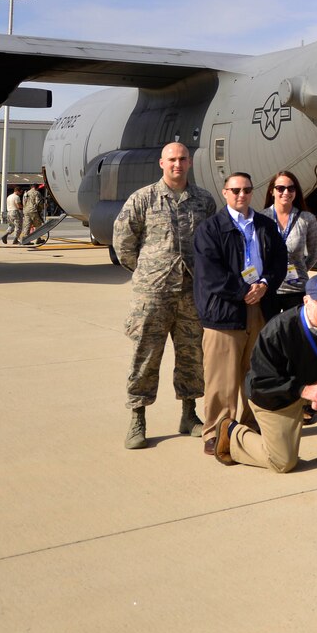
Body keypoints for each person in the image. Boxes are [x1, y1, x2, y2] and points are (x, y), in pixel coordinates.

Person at [114, 141, 217, 449]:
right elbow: (123, 244)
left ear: (189, 163)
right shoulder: (143, 199)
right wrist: (148, 271)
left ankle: (189, 414)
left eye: (182, 159)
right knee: (145, 355)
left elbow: (210, 243)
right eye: (172, 159)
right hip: (153, 295)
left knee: (192, 355)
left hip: (190, 292)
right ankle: (137, 417)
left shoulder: (203, 200)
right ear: (161, 163)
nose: (177, 164)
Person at [215, 273, 317, 472]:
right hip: (274, 396)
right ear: (306, 301)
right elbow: (263, 380)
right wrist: (304, 390)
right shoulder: (278, 329)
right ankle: (232, 433)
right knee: (283, 462)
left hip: (310, 385)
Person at [192, 171, 286, 456]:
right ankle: (216, 431)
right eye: (235, 190)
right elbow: (210, 273)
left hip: (260, 308)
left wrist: (266, 284)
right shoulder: (210, 229)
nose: (241, 195)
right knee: (222, 378)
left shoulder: (266, 226)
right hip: (225, 311)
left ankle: (247, 425)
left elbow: (279, 261)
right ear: (225, 193)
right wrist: (243, 291)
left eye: (246, 190)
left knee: (254, 372)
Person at [264, 170, 317, 308]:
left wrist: (299, 269)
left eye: (291, 188)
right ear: (272, 191)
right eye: (280, 188)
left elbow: (314, 254)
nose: (286, 192)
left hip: (297, 289)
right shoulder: (261, 218)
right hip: (269, 289)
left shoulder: (307, 219)